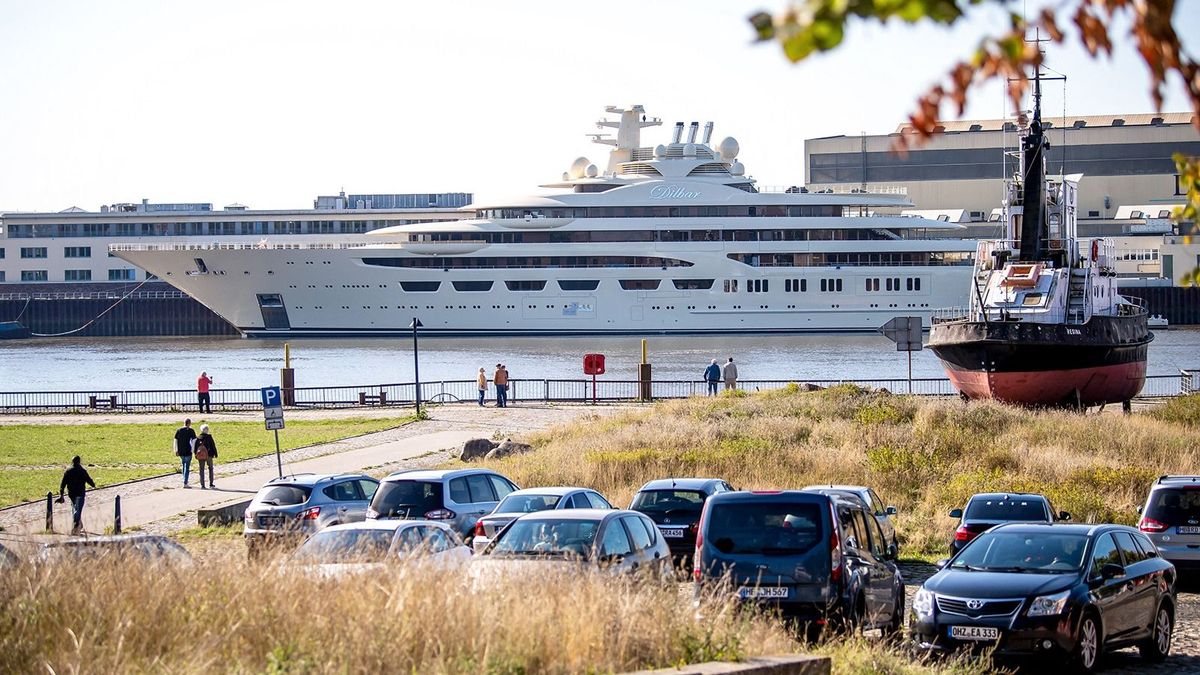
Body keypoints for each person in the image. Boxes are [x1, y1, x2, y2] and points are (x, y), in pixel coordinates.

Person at [58, 455, 95, 535]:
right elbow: (89, 480)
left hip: (72, 493)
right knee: (77, 509)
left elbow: (63, 484)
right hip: (80, 493)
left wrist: (61, 495)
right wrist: (93, 484)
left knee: (75, 508)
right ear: (79, 462)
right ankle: (76, 526)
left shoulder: (68, 471)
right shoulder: (82, 471)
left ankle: (79, 524)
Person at [174, 418, 197, 488]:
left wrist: (176, 450)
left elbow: (175, 441)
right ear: (189, 423)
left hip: (181, 451)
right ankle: (185, 482)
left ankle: (184, 479)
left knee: (183, 464)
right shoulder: (191, 431)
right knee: (187, 466)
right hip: (188, 451)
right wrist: (193, 450)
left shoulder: (179, 431)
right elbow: (194, 442)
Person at [195, 423, 218, 489]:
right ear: (207, 430)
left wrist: (196, 454)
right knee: (210, 468)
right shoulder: (209, 437)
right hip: (209, 455)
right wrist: (215, 454)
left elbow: (195, 447)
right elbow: (213, 446)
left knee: (201, 469)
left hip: (200, 455)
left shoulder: (198, 437)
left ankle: (202, 485)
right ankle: (211, 483)